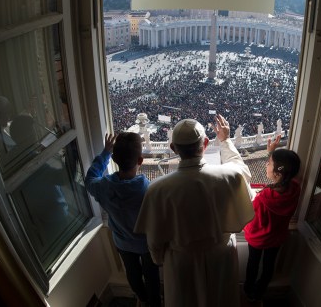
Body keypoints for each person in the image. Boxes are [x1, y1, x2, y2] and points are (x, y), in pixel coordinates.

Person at [134, 114, 254, 307]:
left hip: (181, 261)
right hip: (221, 257)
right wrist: (225, 141)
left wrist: (160, 260)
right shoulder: (230, 175)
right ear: (205, 143)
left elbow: (154, 240)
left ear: (173, 148)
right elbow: (241, 169)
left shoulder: (157, 189)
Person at [85, 132, 161, 307]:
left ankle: (142, 298)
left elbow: (89, 179)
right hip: (147, 244)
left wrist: (105, 153)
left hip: (123, 243)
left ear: (114, 159)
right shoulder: (150, 191)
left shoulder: (103, 188)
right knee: (152, 276)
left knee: (132, 274)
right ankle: (155, 303)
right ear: (140, 160)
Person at [242, 135, 301, 303]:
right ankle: (260, 291)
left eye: (269, 163)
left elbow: (251, 218)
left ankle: (248, 289)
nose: (266, 164)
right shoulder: (295, 188)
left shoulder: (263, 199)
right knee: (269, 266)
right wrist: (272, 152)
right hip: (277, 237)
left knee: (253, 264)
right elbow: (283, 174)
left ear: (278, 172)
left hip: (259, 239)